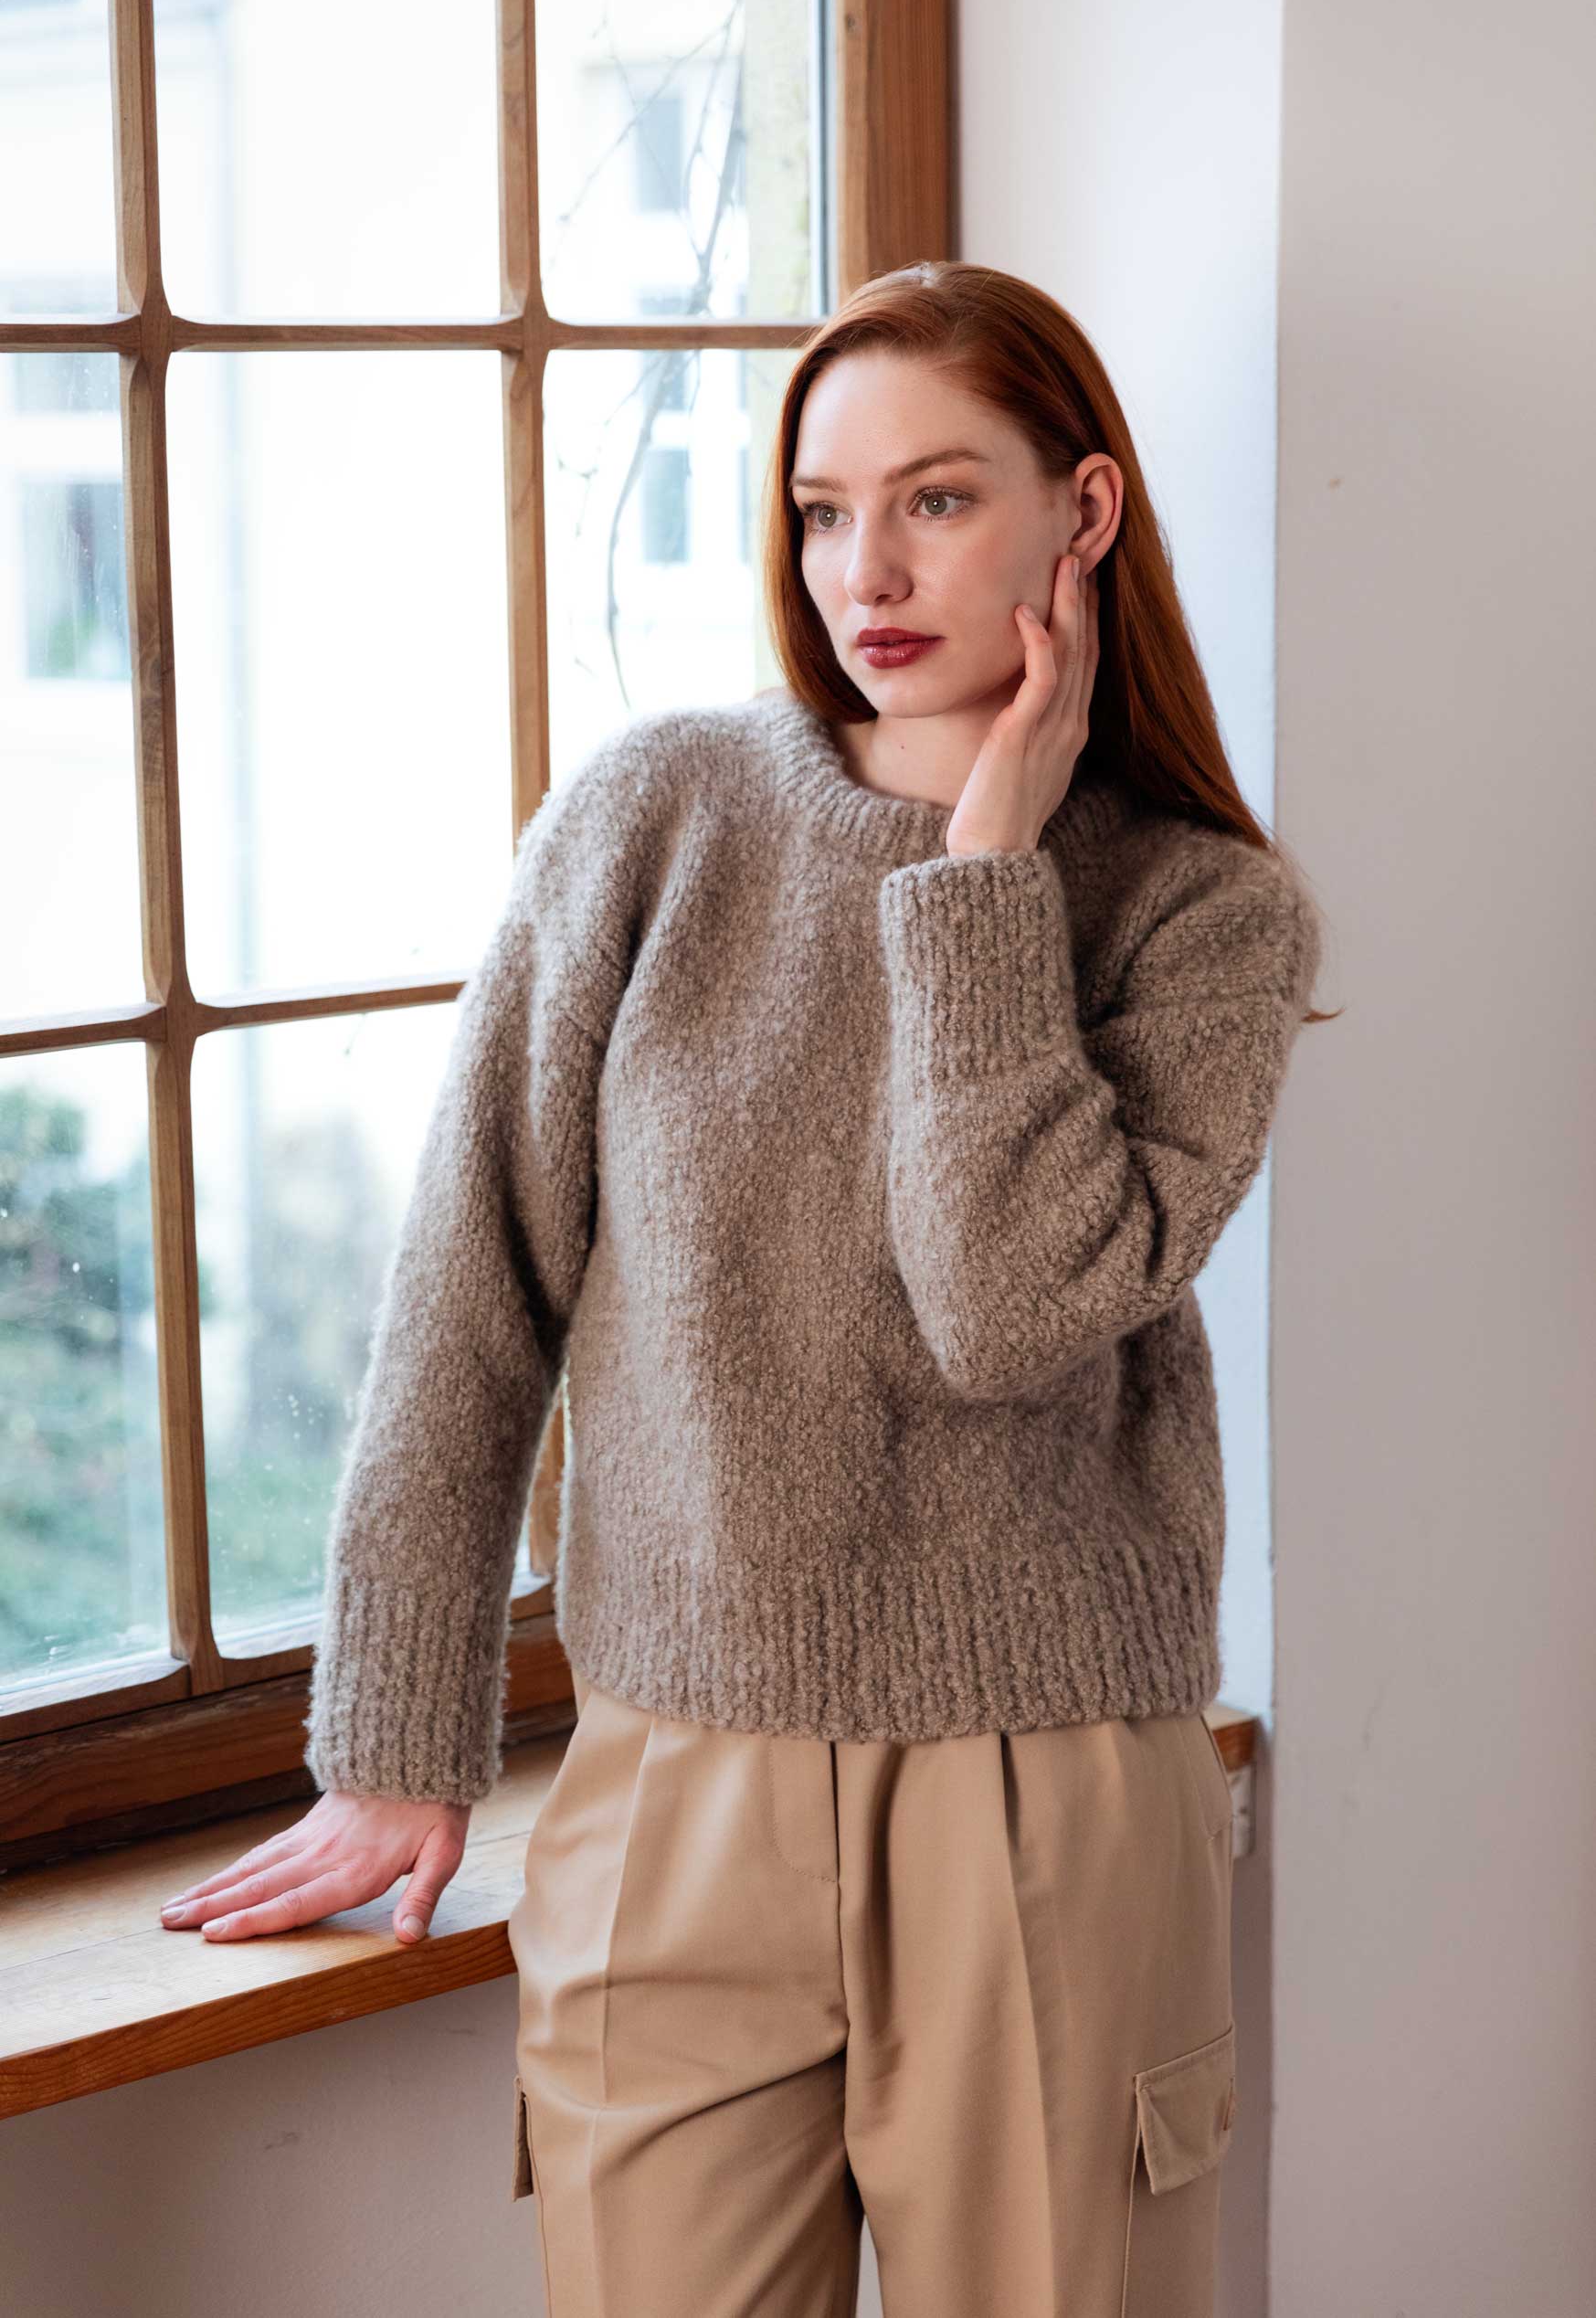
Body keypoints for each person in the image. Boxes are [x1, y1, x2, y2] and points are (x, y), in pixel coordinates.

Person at [156, 260, 1334, 2317]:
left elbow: (1003, 1303)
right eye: (818, 506)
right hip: (671, 1786)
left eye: (938, 500)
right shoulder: (656, 817)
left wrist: (979, 875)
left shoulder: (1200, 912)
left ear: (1084, 513)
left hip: (1044, 1793)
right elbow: (471, 1290)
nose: (862, 567)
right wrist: (394, 1734)